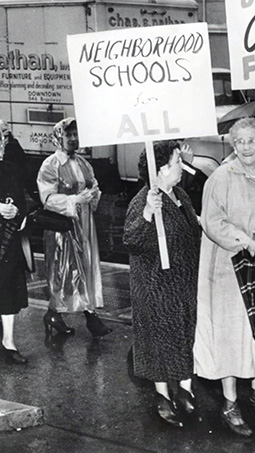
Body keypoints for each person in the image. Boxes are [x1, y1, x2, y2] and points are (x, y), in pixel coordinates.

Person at [194, 117, 255, 437]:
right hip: (229, 269)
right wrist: (244, 239)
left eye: (252, 140)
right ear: (233, 145)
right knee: (231, 337)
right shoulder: (220, 177)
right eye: (239, 141)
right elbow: (212, 221)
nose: (246, 147)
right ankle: (230, 404)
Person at [123, 141, 200, 428]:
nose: (182, 165)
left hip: (181, 282)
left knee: (183, 335)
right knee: (160, 341)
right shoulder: (144, 200)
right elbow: (130, 239)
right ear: (162, 170)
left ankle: (185, 389)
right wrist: (146, 214)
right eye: (178, 161)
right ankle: (162, 396)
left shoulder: (178, 194)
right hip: (156, 285)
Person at [36, 117, 111, 338]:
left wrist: (92, 194)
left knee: (85, 268)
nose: (73, 139)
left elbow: (94, 186)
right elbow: (47, 198)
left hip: (85, 226)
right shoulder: (51, 165)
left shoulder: (83, 163)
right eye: (68, 135)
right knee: (63, 272)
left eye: (76, 134)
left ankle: (87, 314)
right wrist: (75, 200)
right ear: (59, 137)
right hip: (63, 228)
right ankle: (57, 313)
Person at [0, 130, 29, 364]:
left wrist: (16, 211)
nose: (0, 144)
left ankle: (8, 342)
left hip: (6, 238)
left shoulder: (9, 168)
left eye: (1, 139)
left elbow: (21, 200)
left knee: (7, 286)